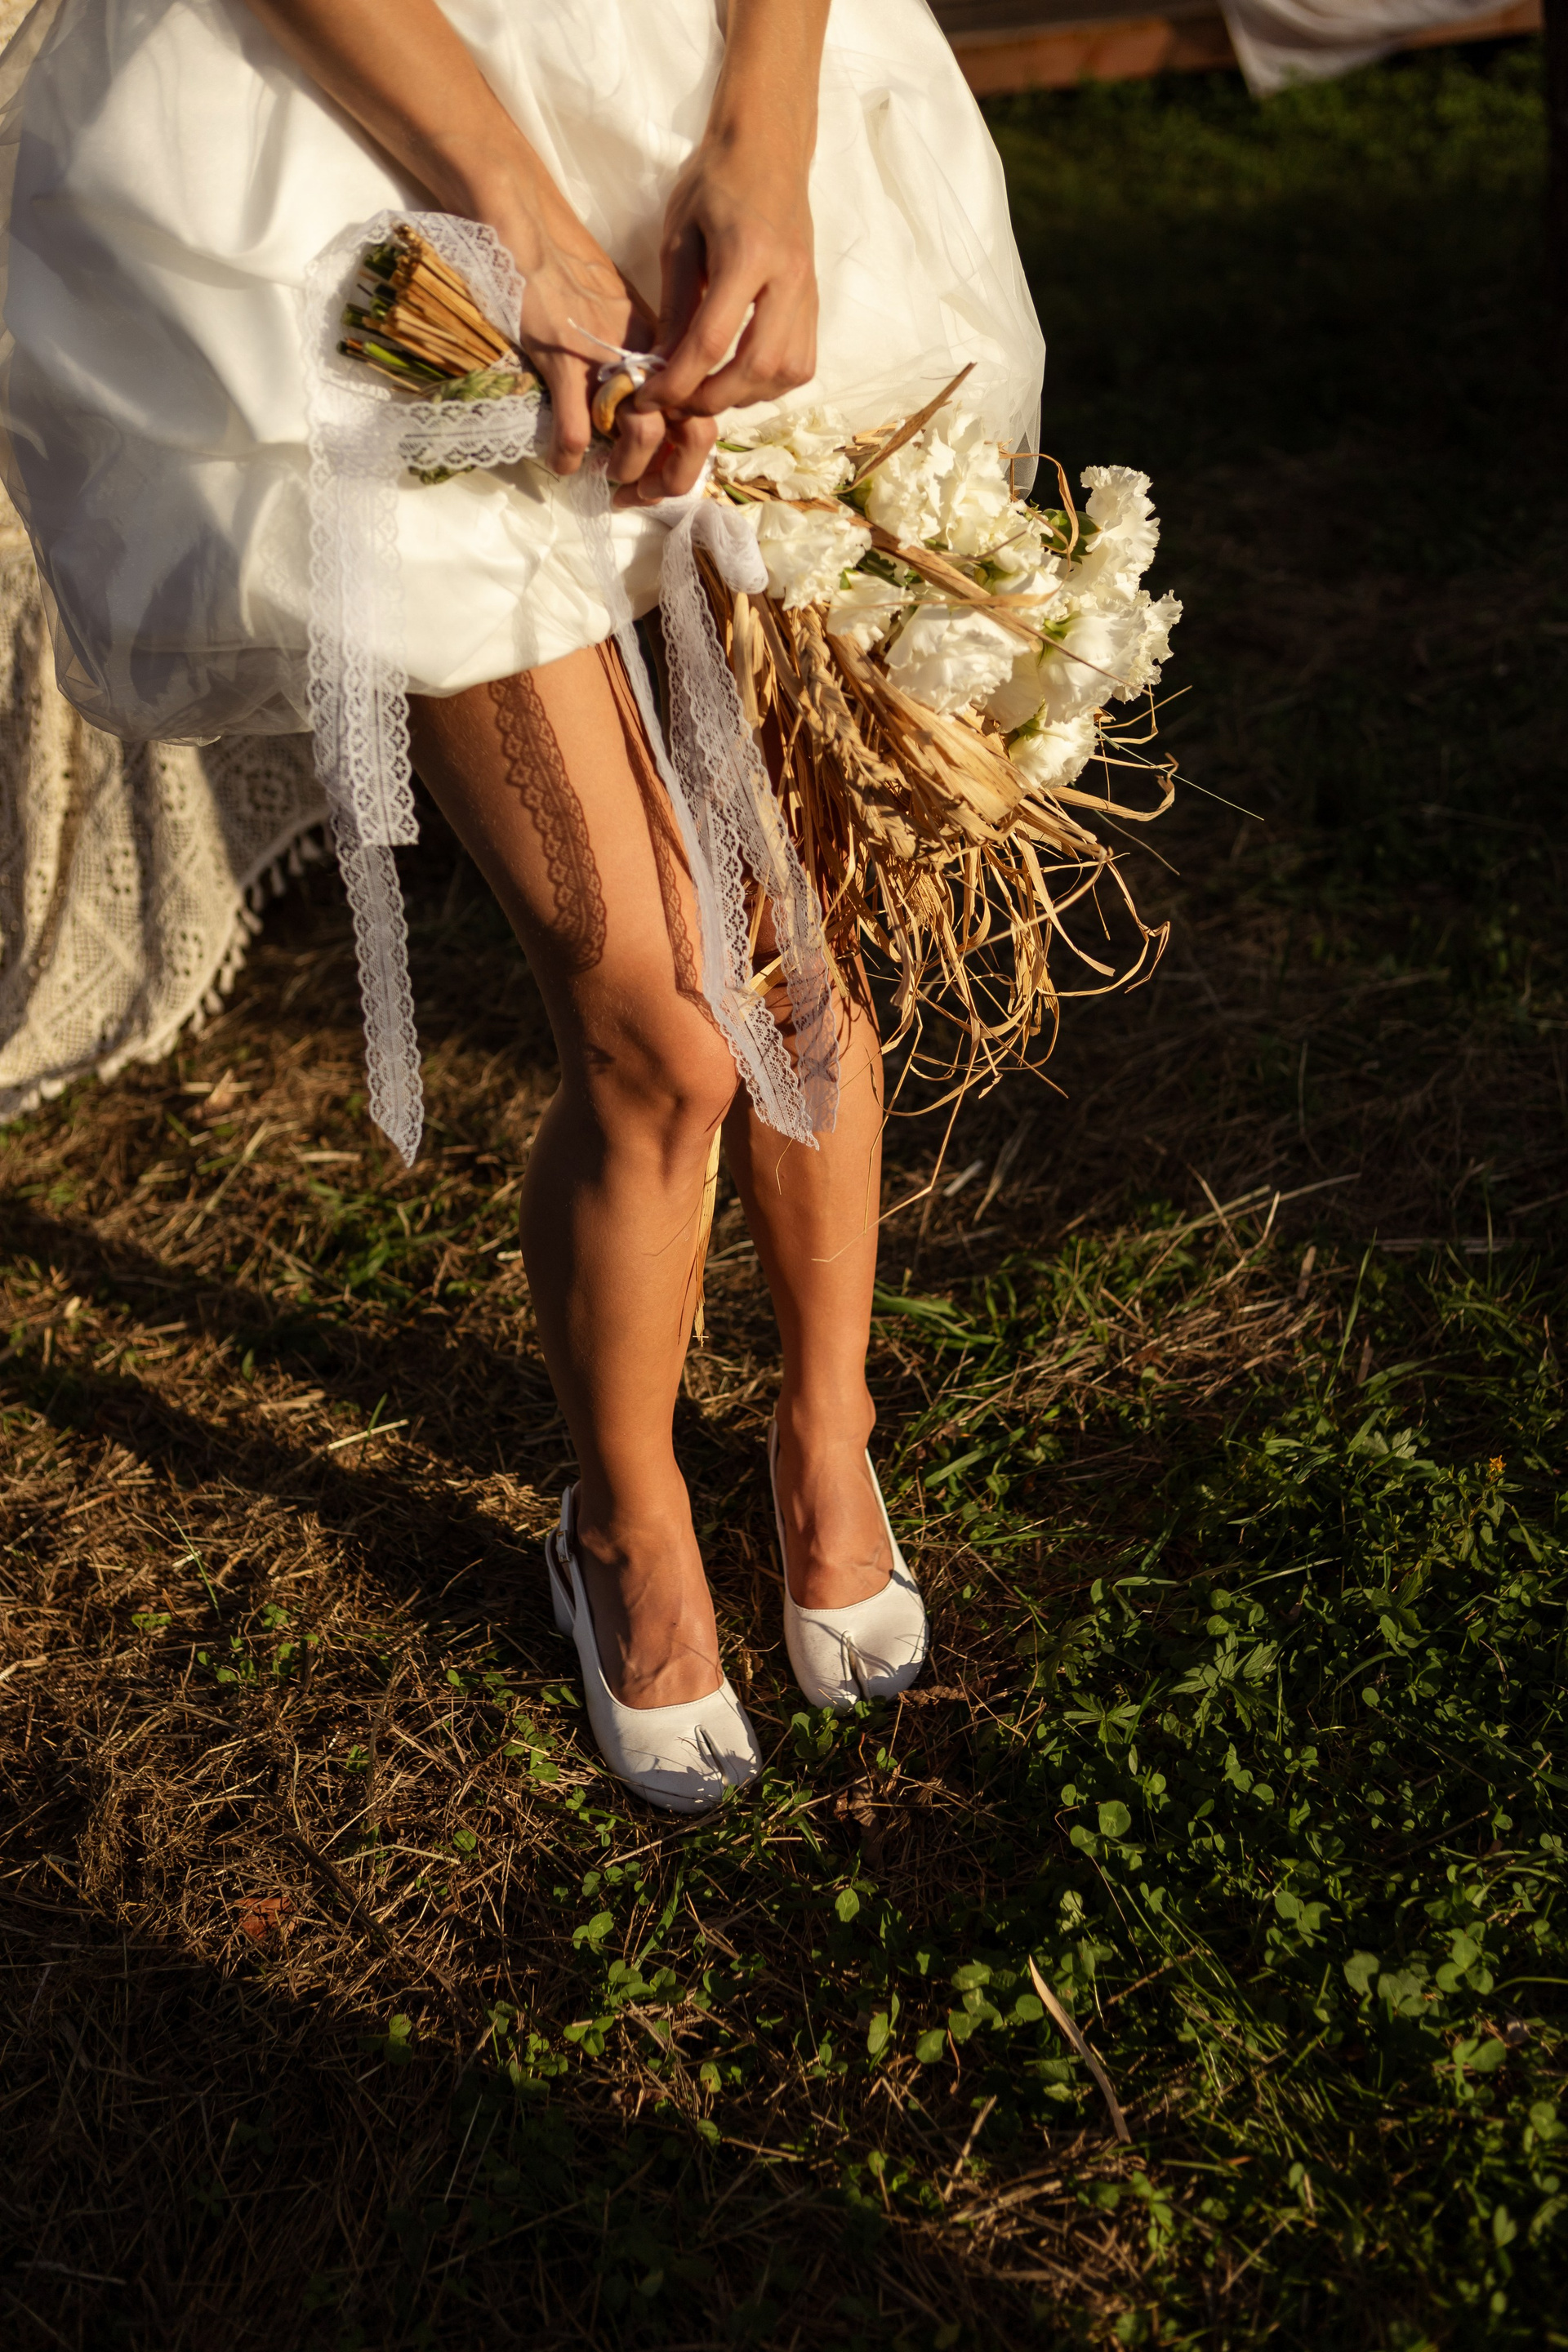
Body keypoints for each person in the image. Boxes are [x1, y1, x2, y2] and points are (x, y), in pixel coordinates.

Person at [0, 0, 1044, 1809]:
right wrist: (507, 205)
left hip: (695, 83)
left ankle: (827, 1429)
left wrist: (768, 139)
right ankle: (624, 1526)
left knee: (799, 950)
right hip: (372, 147)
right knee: (660, 1023)